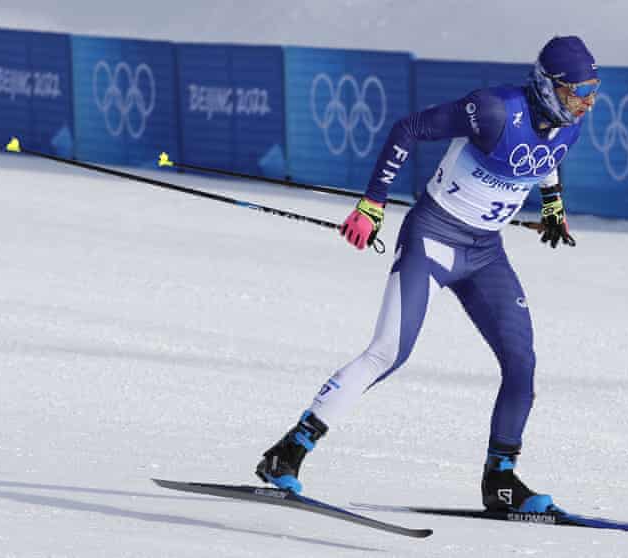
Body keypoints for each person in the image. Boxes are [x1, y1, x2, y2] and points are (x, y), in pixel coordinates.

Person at [256, 36, 599, 513]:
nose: (584, 103)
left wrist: (553, 205)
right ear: (545, 85)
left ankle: (500, 481)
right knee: (387, 352)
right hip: (432, 238)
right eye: (575, 91)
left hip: (485, 254)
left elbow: (548, 160)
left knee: (522, 364)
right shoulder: (494, 110)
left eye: (591, 91)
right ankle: (289, 451)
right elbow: (409, 128)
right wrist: (372, 203)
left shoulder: (571, 127)